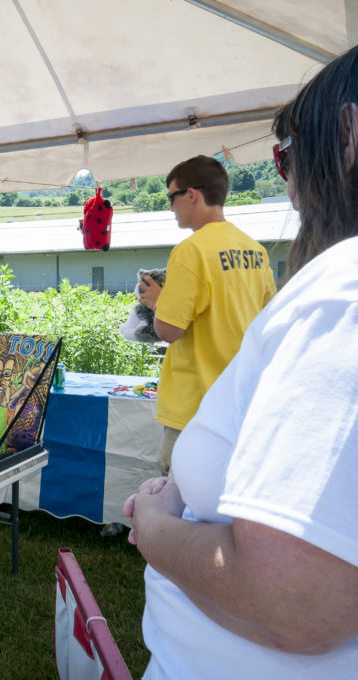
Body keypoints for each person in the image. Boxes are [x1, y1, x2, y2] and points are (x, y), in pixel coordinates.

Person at [124, 32, 358, 679]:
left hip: (192, 398)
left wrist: (157, 530)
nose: (290, 179)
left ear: (347, 137)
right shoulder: (252, 248)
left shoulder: (352, 286)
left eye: (286, 156)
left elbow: (170, 331)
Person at [137, 155, 275, 473]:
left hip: (196, 404)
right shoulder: (256, 250)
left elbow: (169, 330)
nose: (171, 207)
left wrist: (158, 300)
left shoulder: (191, 250)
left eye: (172, 196)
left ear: (192, 194)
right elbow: (268, 319)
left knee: (179, 494)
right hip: (241, 399)